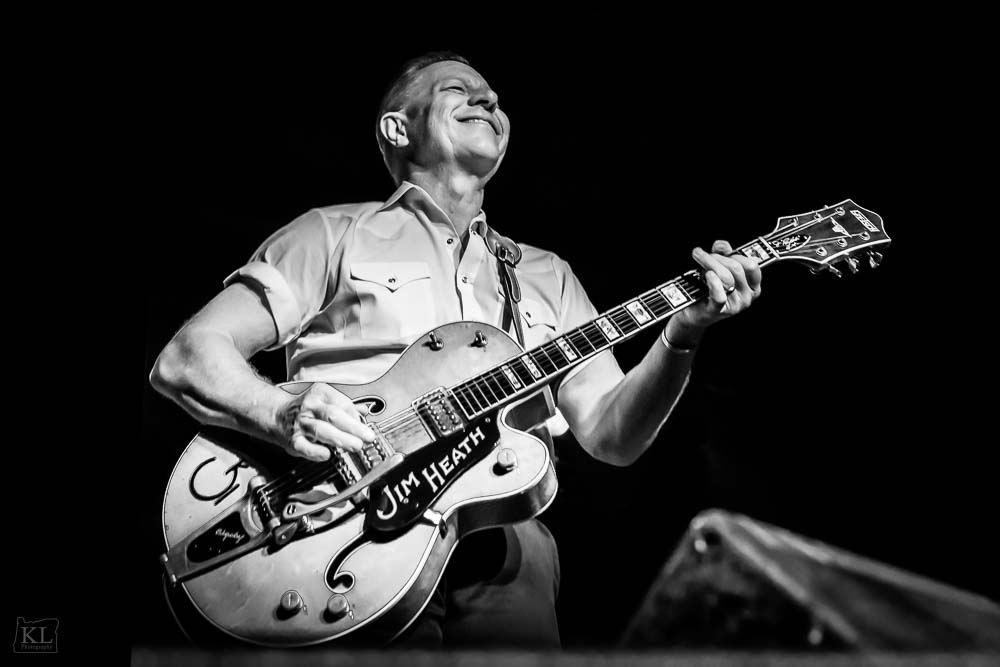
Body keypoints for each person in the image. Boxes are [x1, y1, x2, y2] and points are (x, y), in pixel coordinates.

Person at [149, 51, 762, 648]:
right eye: (458, 91)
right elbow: (189, 355)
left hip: (504, 546)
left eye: (494, 99)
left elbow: (612, 434)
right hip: (337, 527)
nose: (490, 101)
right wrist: (279, 413)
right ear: (398, 127)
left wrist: (682, 333)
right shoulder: (331, 234)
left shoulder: (547, 273)